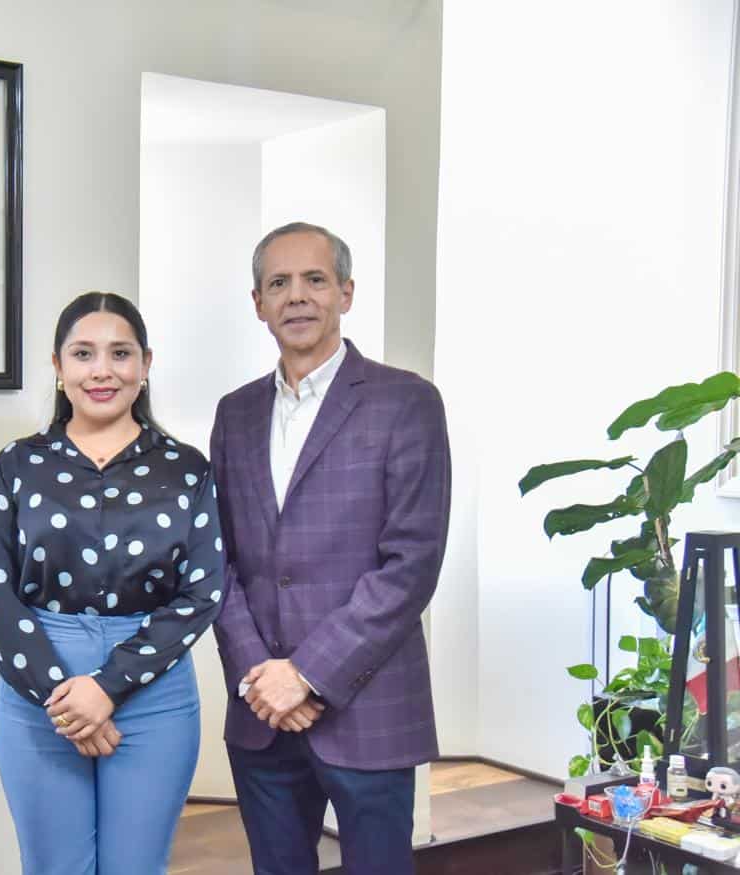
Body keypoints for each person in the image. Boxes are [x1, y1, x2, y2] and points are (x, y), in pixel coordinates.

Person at [210, 223, 451, 874]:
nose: (297, 296)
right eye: (278, 283)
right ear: (257, 302)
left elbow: (411, 564)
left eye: (314, 279)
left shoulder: (407, 403)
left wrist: (306, 673)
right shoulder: (234, 413)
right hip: (261, 714)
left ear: (345, 292)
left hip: (369, 709)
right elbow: (218, 559)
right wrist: (261, 673)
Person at [0, 292, 225, 874]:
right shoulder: (19, 464)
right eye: (83, 354)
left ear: (146, 364)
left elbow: (203, 592)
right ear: (58, 368)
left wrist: (107, 687)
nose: (102, 370)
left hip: (153, 695)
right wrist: (65, 698)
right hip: (40, 691)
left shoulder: (186, 468)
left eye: (120, 353)